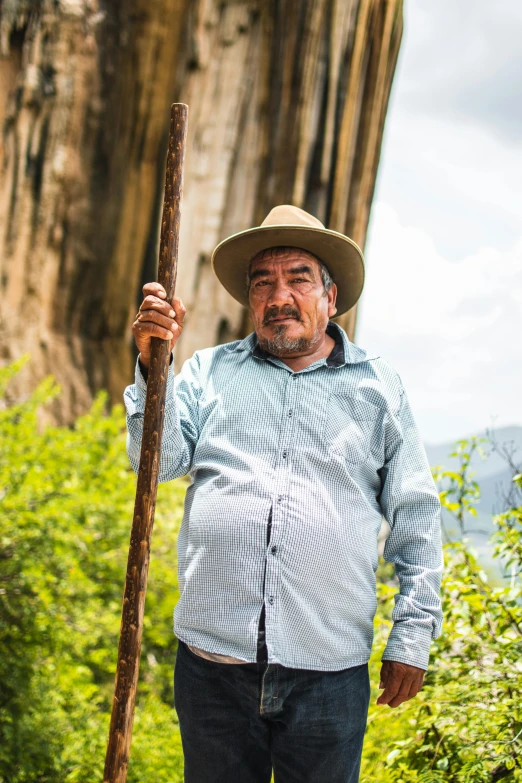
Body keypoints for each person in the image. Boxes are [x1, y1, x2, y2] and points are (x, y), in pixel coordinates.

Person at [124, 204, 443, 783]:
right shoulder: (204, 373)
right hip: (213, 664)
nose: (279, 295)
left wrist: (412, 638)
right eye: (263, 282)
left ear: (331, 295)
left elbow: (415, 519)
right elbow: (158, 463)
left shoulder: (378, 388)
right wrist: (154, 367)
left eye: (298, 278)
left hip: (329, 668)